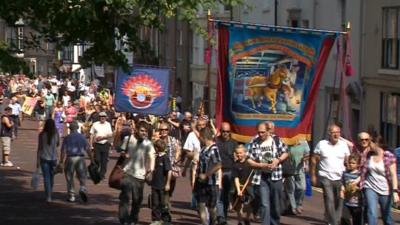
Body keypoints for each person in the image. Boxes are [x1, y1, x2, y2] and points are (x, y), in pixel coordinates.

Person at [310, 124, 350, 225]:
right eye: (334, 133)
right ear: (329, 134)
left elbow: (348, 161)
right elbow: (314, 159)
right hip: (325, 176)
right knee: (330, 199)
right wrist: (313, 175)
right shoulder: (322, 144)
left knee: (339, 201)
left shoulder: (343, 145)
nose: (336, 135)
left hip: (340, 177)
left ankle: (331, 219)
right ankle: (334, 222)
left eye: (338, 132)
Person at [118, 121, 155, 225]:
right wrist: (124, 154)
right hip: (127, 172)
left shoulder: (148, 143)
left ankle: (133, 218)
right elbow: (122, 151)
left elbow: (152, 157)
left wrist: (151, 170)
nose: (144, 133)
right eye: (142, 130)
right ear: (137, 130)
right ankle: (124, 219)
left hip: (140, 175)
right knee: (125, 197)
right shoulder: (128, 139)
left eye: (146, 131)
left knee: (137, 200)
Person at [360, 136, 399, 225]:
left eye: (371, 142)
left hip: (385, 190)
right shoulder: (369, 155)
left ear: (377, 144)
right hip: (370, 187)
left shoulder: (389, 156)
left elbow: (393, 175)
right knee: (372, 212)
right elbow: (363, 171)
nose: (369, 144)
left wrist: (395, 192)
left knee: (386, 217)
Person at [194, 127, 222, 225]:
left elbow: (218, 164)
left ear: (204, 137)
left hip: (211, 182)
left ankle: (213, 222)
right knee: (201, 205)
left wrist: (207, 174)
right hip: (201, 182)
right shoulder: (203, 149)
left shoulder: (213, 149)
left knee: (211, 208)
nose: (199, 139)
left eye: (200, 137)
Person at [59, 121, 92, 203]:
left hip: (70, 158)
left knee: (69, 176)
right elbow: (88, 149)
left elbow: (63, 151)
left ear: (70, 128)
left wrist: (61, 161)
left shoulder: (67, 138)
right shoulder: (82, 137)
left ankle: (71, 195)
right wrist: (92, 159)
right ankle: (82, 187)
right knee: (82, 175)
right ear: (77, 128)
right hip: (80, 157)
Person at [216, 122, 238, 224]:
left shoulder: (234, 143)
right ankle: (220, 217)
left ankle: (224, 215)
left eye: (227, 132)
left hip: (229, 172)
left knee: (226, 196)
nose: (225, 133)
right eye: (223, 131)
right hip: (218, 171)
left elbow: (237, 158)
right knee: (219, 195)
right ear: (220, 131)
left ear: (230, 132)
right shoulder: (216, 141)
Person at [284, 138, 310, 215]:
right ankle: (293, 207)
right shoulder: (286, 141)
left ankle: (299, 204)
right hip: (289, 169)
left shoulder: (303, 142)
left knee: (302, 188)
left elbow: (308, 154)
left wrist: (305, 160)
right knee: (291, 189)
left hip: (300, 169)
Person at [36, 119, 60, 202]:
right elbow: (58, 144)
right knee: (51, 177)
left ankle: (48, 195)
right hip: (53, 158)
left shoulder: (42, 134)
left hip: (44, 157)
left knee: (46, 177)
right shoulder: (56, 134)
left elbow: (39, 148)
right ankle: (50, 193)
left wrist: (37, 161)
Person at [150, 139, 172, 225]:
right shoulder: (156, 157)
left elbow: (169, 171)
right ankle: (156, 219)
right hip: (155, 184)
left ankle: (166, 219)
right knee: (155, 203)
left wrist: (168, 183)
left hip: (162, 185)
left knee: (163, 203)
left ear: (157, 148)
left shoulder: (165, 158)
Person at [232, 145, 253, 225]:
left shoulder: (250, 162)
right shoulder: (235, 165)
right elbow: (236, 178)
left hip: (249, 186)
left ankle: (247, 218)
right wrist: (238, 190)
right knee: (239, 206)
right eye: (237, 153)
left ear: (245, 153)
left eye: (241, 153)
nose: (239, 155)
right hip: (240, 186)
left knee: (250, 204)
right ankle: (240, 221)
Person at [340, 153, 363, 225]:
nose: (351, 164)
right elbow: (342, 182)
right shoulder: (345, 173)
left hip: (357, 203)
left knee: (357, 221)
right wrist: (342, 189)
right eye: (350, 162)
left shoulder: (360, 175)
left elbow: (363, 186)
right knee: (344, 218)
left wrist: (357, 188)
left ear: (358, 164)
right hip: (347, 202)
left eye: (353, 163)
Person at [89, 111, 113, 180]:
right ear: (99, 117)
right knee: (97, 160)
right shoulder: (95, 124)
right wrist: (91, 145)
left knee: (104, 161)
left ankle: (102, 175)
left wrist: (104, 138)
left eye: (104, 117)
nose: (103, 118)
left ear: (106, 118)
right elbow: (91, 135)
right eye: (101, 117)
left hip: (105, 144)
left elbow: (110, 134)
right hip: (97, 145)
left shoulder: (108, 124)